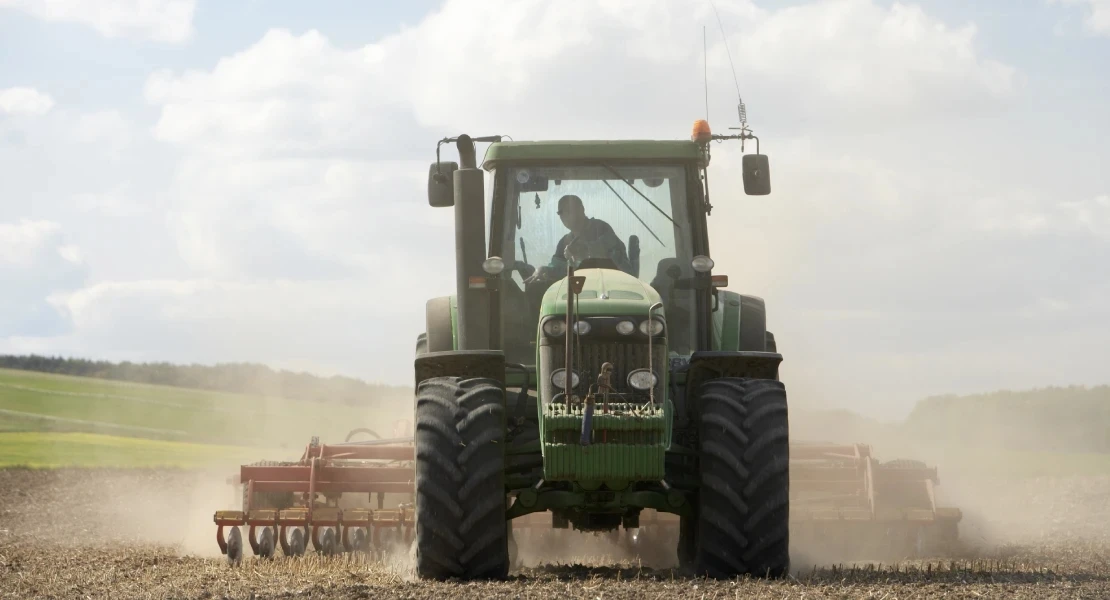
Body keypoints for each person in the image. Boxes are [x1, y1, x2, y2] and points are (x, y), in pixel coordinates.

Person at [524, 194, 632, 283]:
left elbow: (611, 254)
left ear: (581, 210)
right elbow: (558, 270)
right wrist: (544, 270)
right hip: (576, 294)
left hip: (609, 289)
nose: (564, 215)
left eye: (568, 210)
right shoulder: (564, 242)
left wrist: (583, 251)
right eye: (560, 212)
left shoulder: (601, 228)